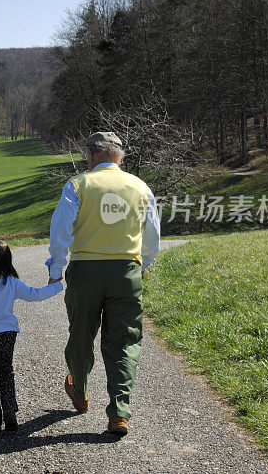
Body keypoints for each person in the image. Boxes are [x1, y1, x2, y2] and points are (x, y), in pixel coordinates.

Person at [46, 131, 160, 436]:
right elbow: (152, 237)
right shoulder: (139, 186)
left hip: (84, 271)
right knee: (124, 339)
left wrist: (56, 268)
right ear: (119, 156)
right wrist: (141, 265)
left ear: (91, 155)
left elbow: (60, 232)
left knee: (81, 333)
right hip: (126, 271)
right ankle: (119, 412)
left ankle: (80, 392)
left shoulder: (78, 185)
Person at [0, 239, 63, 438]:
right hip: (8, 334)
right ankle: (9, 409)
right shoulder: (11, 283)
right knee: (6, 372)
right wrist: (57, 286)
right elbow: (36, 294)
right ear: (8, 260)